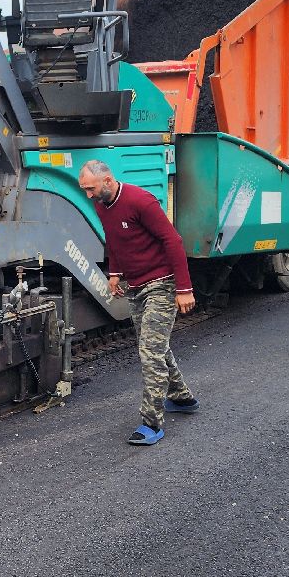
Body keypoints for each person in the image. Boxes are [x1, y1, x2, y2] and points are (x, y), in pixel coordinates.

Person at [78, 159, 199, 446]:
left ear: (107, 180)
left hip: (162, 283)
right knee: (155, 346)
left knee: (149, 352)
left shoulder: (141, 201)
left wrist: (184, 288)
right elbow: (116, 239)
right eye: (84, 189)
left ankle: (152, 423)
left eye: (91, 189)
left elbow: (173, 241)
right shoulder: (101, 205)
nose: (88, 195)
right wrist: (115, 272)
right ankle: (181, 398)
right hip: (135, 286)